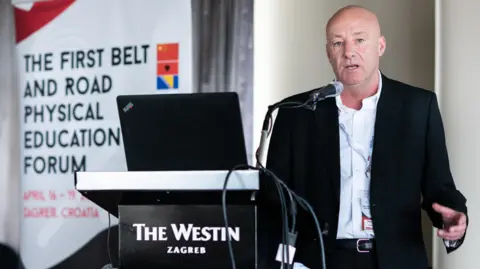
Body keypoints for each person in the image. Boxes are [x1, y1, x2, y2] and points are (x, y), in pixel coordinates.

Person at [259, 5, 468, 269]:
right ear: (328, 53)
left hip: (397, 260)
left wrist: (455, 220)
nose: (348, 52)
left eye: (359, 40)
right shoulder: (295, 112)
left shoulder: (417, 107)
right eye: (338, 43)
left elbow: (440, 187)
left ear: (380, 46)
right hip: (319, 261)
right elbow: (274, 202)